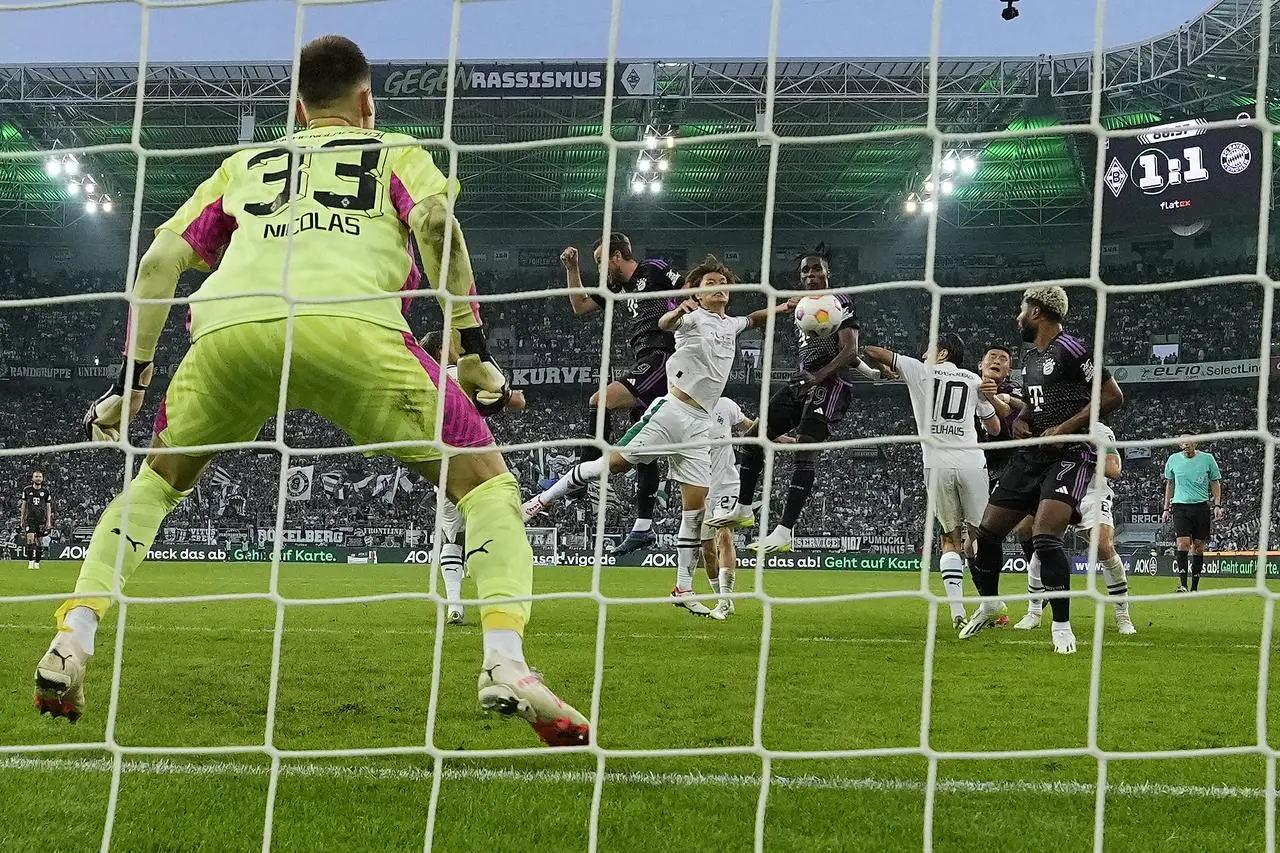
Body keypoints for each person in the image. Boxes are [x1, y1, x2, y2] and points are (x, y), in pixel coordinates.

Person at [34, 35, 588, 747]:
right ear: (366, 102)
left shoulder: (245, 164)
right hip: (354, 328)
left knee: (154, 487)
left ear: (297, 109)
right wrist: (472, 350)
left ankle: (73, 637)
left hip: (231, 332)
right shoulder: (395, 150)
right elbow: (437, 223)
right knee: (486, 491)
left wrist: (129, 385)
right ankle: (505, 661)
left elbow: (157, 261)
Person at [526, 256, 794, 616]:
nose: (718, 286)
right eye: (710, 282)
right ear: (698, 292)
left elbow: (757, 318)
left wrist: (784, 308)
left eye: (721, 282)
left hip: (700, 426)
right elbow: (667, 322)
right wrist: (679, 311)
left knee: (695, 513)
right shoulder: (690, 317)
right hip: (671, 412)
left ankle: (683, 587)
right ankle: (543, 499)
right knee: (613, 465)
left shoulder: (730, 324)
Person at [960, 285, 1124, 654]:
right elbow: (1039, 404)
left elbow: (1113, 396)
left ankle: (1062, 626)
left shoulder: (1072, 348)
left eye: (1022, 309)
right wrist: (1024, 418)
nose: (1018, 316)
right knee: (986, 535)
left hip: (1070, 453)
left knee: (1046, 536)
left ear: (1036, 311)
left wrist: (1065, 428)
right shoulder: (1032, 357)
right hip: (1031, 455)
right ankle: (989, 604)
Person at [710, 247, 881, 553]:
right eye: (805, 271)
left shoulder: (840, 301)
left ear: (827, 273)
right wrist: (872, 374)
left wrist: (824, 376)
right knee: (753, 438)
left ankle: (785, 530)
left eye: (816, 269)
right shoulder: (803, 306)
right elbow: (847, 353)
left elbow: (850, 350)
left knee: (804, 446)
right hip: (802, 381)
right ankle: (744, 509)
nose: (811, 275)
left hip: (831, 384)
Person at [864, 333, 1000, 630]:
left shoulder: (918, 369)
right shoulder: (973, 380)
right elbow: (994, 426)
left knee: (949, 539)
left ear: (942, 354)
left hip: (936, 465)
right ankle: (990, 601)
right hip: (972, 462)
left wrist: (886, 370)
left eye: (929, 350)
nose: (924, 354)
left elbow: (873, 350)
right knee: (980, 538)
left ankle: (957, 613)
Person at [559, 236, 683, 555]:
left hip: (663, 356)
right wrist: (573, 269)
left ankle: (584, 473)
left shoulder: (652, 269)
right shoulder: (618, 289)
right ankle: (643, 527)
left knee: (599, 401)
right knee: (644, 448)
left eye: (600, 262)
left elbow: (688, 286)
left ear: (617, 257)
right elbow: (580, 305)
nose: (599, 269)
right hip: (644, 359)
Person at [420, 330, 527, 626]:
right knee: (498, 528)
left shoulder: (423, 378)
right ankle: (500, 602)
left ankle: (455, 604)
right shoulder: (463, 370)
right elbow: (514, 402)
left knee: (450, 538)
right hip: (480, 459)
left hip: (443, 465)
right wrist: (509, 395)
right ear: (443, 349)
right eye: (453, 343)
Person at [1015, 422, 1136, 634]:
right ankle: (1034, 612)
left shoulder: (1101, 431)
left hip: (1092, 494)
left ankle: (1122, 614)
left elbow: (1113, 469)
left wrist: (1084, 454)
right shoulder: (1051, 425)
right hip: (1058, 491)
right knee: (1041, 544)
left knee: (1104, 546)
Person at [699, 396, 755, 618]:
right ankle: (722, 599)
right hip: (700, 489)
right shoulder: (683, 411)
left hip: (727, 486)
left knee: (724, 537)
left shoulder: (726, 405)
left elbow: (750, 427)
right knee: (707, 550)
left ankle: (724, 600)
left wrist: (775, 431)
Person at [1162, 439, 1223, 592]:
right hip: (1180, 506)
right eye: (1183, 441)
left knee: (1198, 547)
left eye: (1189, 441)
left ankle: (1194, 587)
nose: (1186, 444)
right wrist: (1166, 508)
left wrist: (1217, 505)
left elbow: (1215, 482)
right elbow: (1170, 484)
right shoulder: (1173, 459)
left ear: (1196, 443)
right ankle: (1183, 585)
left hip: (1201, 507)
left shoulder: (1207, 459)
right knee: (1182, 544)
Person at [20, 470, 53, 570]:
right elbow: (24, 505)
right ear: (32, 478)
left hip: (41, 520)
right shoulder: (27, 490)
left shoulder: (46, 491)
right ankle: (30, 562)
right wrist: (21, 519)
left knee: (39, 542)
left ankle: (37, 562)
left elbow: (48, 507)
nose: (38, 478)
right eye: (36, 476)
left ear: (42, 479)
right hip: (30, 519)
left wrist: (48, 521)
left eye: (40, 477)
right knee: (30, 539)